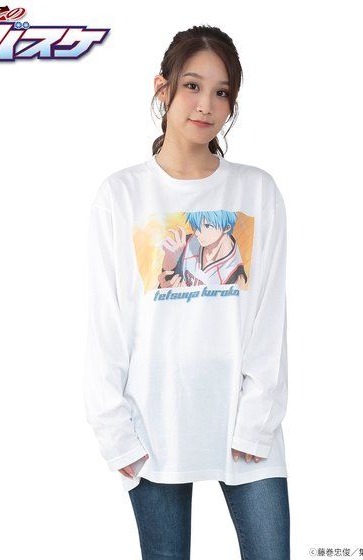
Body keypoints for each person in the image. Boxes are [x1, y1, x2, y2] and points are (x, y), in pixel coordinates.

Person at [83, 24, 290, 560]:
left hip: (245, 423)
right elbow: (105, 322)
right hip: (154, 426)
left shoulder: (256, 191)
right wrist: (115, 433)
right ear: (163, 88)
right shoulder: (122, 195)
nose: (206, 105)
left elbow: (269, 317)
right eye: (193, 86)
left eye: (222, 92)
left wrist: (257, 423)